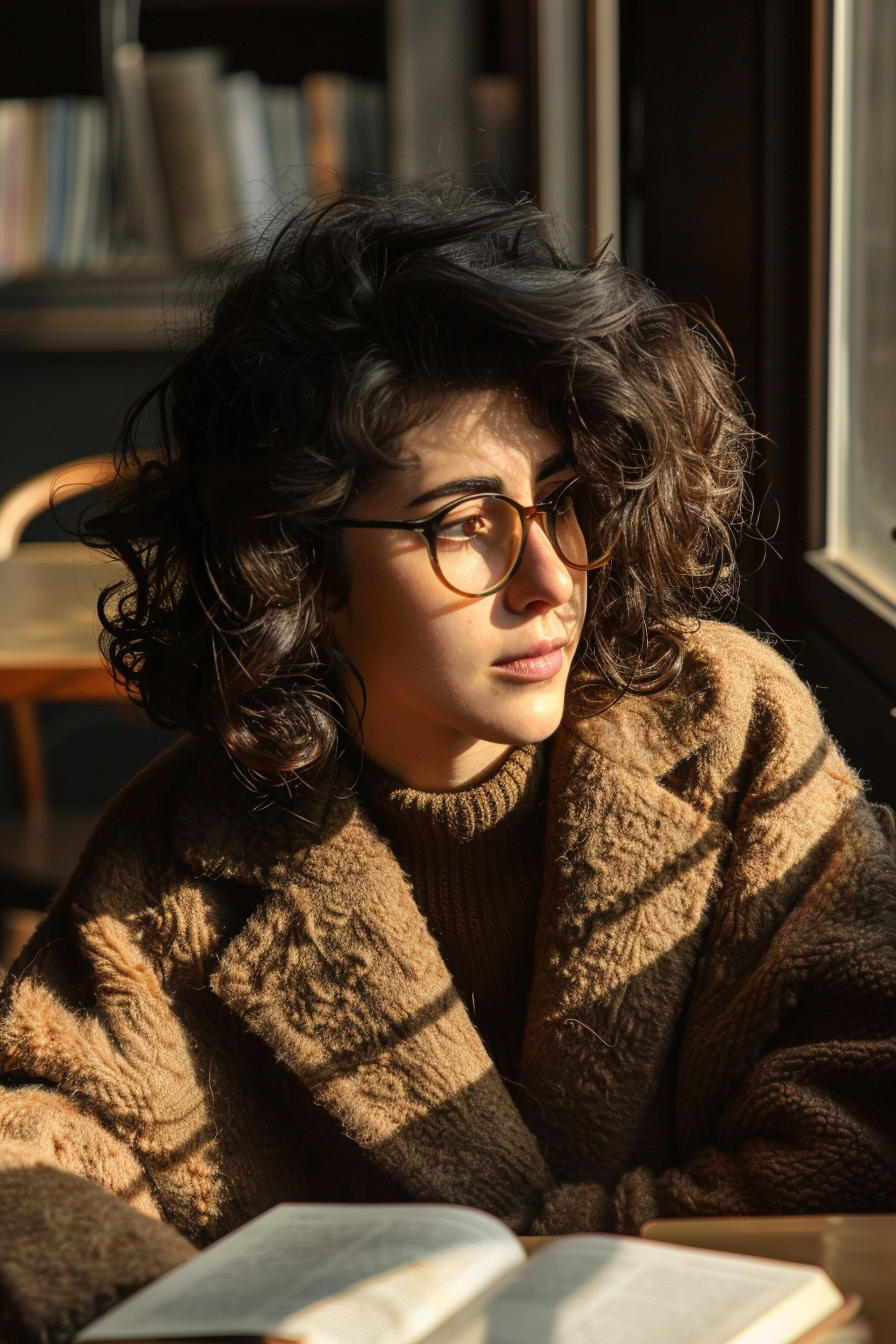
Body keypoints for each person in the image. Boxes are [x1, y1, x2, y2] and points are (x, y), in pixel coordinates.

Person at [0, 178, 895, 1344]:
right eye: (465, 525)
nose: (549, 580)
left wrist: (532, 1255)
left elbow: (861, 1101)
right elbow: (30, 1159)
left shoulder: (727, 725)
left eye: (566, 503)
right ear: (297, 563)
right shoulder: (177, 865)